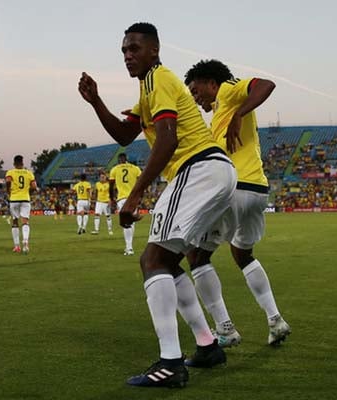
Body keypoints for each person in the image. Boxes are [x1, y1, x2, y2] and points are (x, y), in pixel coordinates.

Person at [79, 22, 237, 388]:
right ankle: (207, 344)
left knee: (151, 260)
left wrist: (135, 193)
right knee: (167, 261)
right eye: (123, 51)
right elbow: (124, 134)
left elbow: (167, 139)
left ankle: (170, 361)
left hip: (197, 169)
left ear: (154, 50)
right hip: (213, 172)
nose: (128, 56)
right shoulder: (147, 91)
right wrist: (96, 101)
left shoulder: (158, 79)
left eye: (134, 48)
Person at [184, 59, 290, 346]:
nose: (195, 98)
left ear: (211, 83)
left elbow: (266, 85)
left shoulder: (228, 92)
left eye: (196, 91)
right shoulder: (218, 115)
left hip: (232, 190)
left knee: (196, 257)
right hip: (256, 190)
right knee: (243, 254)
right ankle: (275, 320)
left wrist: (239, 113)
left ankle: (225, 329)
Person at [109, 153, 141, 253]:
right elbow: (141, 182)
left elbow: (111, 186)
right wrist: (140, 197)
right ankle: (129, 246)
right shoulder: (135, 168)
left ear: (119, 159)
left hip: (122, 198)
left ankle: (129, 248)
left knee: (126, 222)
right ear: (127, 159)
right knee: (131, 222)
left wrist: (112, 198)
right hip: (133, 198)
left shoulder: (115, 169)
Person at [5, 155, 37, 253]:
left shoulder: (10, 172)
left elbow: (8, 181)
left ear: (14, 163)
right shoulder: (29, 173)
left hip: (14, 199)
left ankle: (17, 246)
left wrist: (8, 191)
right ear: (23, 163)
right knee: (25, 221)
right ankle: (26, 243)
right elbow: (34, 186)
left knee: (15, 222)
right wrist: (28, 193)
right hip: (25, 199)